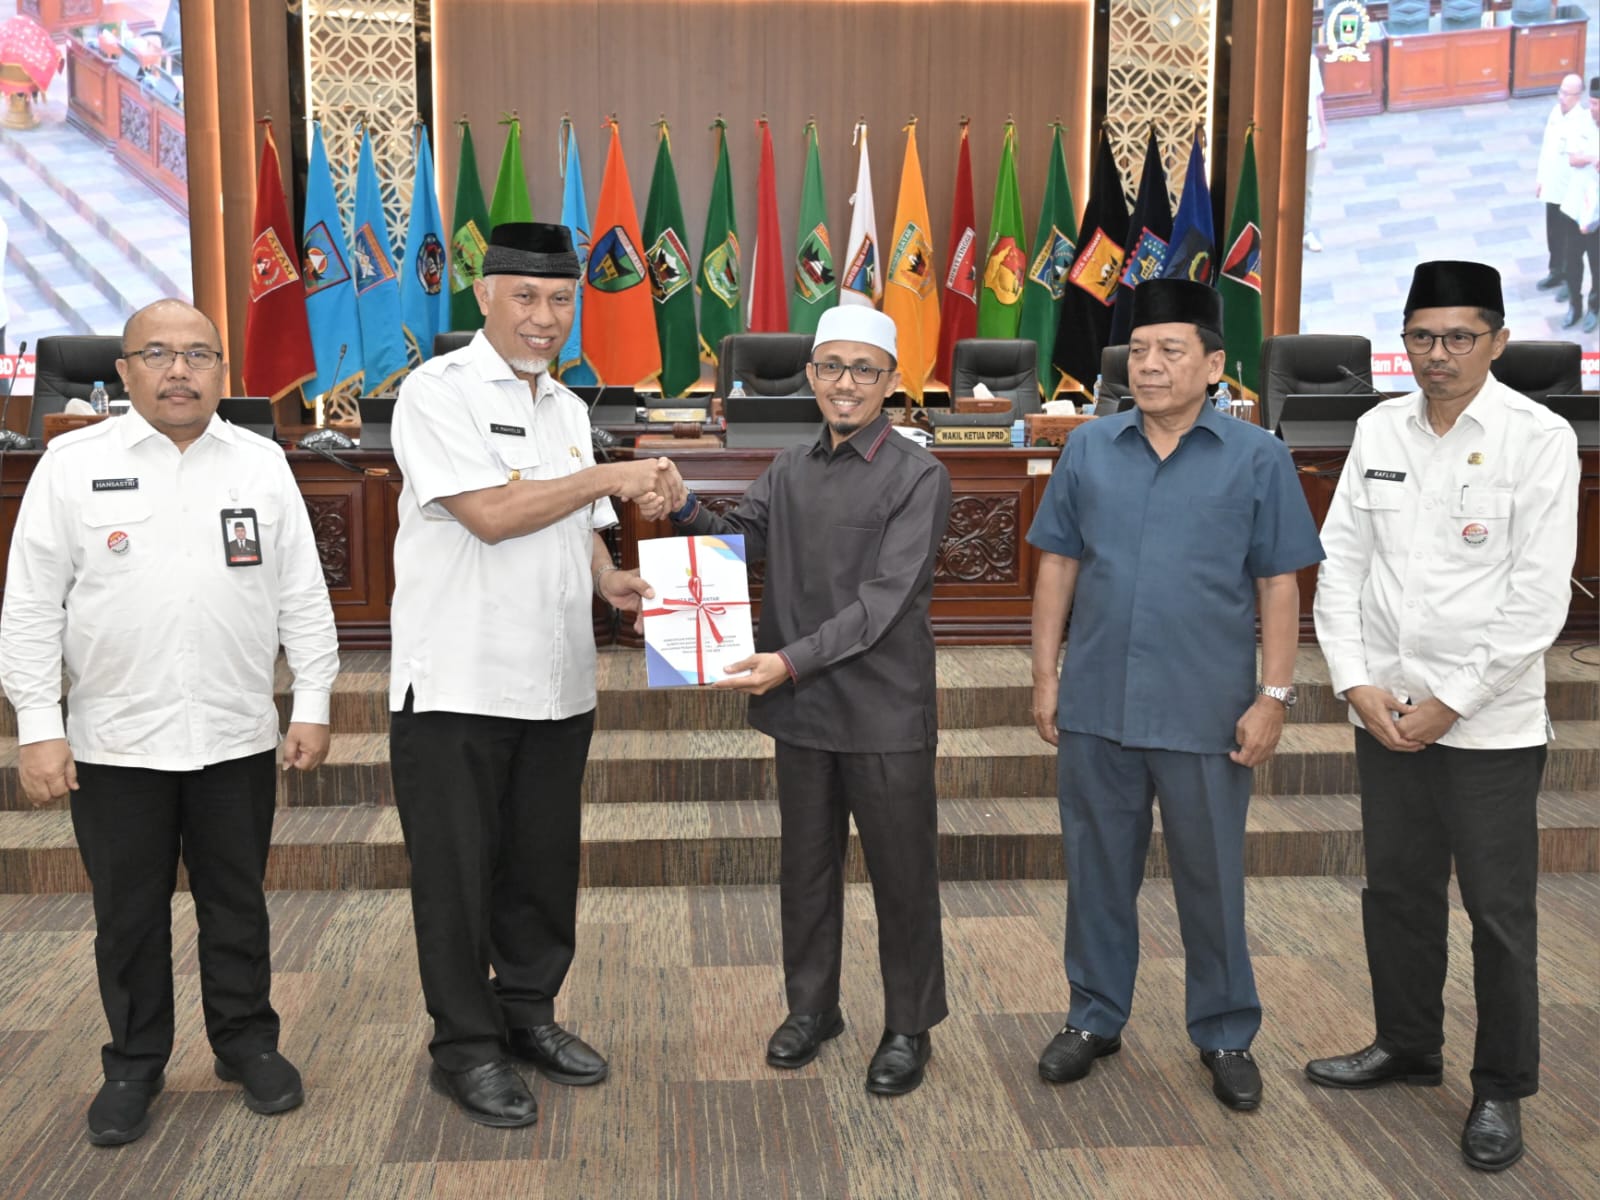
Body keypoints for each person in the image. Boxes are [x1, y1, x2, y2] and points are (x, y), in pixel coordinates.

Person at [0, 299, 339, 1146]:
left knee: (238, 903)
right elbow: (32, 606)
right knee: (129, 914)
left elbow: (303, 592)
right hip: (115, 741)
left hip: (234, 732)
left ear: (224, 372)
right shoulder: (73, 465)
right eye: (158, 354)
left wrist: (317, 701)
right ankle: (134, 1062)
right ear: (124, 372)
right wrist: (39, 724)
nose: (180, 370)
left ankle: (246, 1045)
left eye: (199, 355)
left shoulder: (260, 464)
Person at [388, 221, 673, 1128]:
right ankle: (464, 1048)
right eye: (525, 296)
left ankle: (527, 1016)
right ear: (484, 295)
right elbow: (493, 514)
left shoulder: (562, 403)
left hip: (557, 679)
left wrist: (610, 578)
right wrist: (612, 477)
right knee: (458, 874)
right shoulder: (438, 392)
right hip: (460, 685)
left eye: (559, 299)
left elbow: (572, 526)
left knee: (541, 868)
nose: (544, 316)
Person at [1026, 278, 1323, 1112]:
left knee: (1211, 878)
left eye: (1171, 351)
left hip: (1206, 707)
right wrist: (1046, 673)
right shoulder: (1089, 447)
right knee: (1095, 870)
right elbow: (1057, 564)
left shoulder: (1257, 456)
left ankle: (1225, 1031)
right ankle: (1094, 1016)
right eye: (1139, 352)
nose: (1149, 367)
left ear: (1214, 364)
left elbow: (1278, 586)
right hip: (1097, 703)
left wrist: (1274, 695)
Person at [1307, 260, 1579, 1173]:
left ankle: (1501, 1086)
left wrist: (1454, 701)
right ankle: (1407, 1045)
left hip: (1488, 723)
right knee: (1397, 892)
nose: (1438, 355)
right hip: (1385, 710)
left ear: (1499, 341)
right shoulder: (1379, 426)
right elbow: (1341, 564)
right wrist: (1356, 683)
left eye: (1460, 337)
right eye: (1422, 336)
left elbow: (1537, 600)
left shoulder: (1536, 438)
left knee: (1498, 914)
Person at [646, 305, 952, 1096]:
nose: (844, 384)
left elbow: (885, 603)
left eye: (863, 370)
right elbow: (733, 535)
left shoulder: (920, 474)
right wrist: (682, 506)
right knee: (805, 870)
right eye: (830, 368)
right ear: (810, 375)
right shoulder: (791, 465)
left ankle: (908, 1026)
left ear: (891, 383)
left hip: (883, 710)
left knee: (902, 877)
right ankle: (812, 1009)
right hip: (804, 712)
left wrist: (787, 659)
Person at [1533, 76, 1585, 307]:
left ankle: (1568, 278)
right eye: (1560, 92)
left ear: (1578, 96)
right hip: (1552, 186)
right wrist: (1540, 179)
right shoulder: (1555, 113)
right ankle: (1555, 271)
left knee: (1568, 238)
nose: (1562, 98)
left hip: (1570, 191)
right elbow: (1547, 149)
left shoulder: (1582, 122)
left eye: (1567, 94)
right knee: (1553, 232)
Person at [1556, 77, 1600, 332]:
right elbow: (1573, 158)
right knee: (1571, 262)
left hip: (1598, 213)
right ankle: (1575, 304)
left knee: (1598, 266)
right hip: (1575, 207)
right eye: (1592, 102)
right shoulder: (1580, 121)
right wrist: (1594, 157)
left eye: (1598, 104)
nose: (1593, 108)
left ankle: (1595, 307)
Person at [1304, 52, 1328, 253]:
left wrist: (1323, 132)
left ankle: (1305, 231)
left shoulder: (1312, 62)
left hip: (1311, 136)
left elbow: (1317, 97)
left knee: (1307, 187)